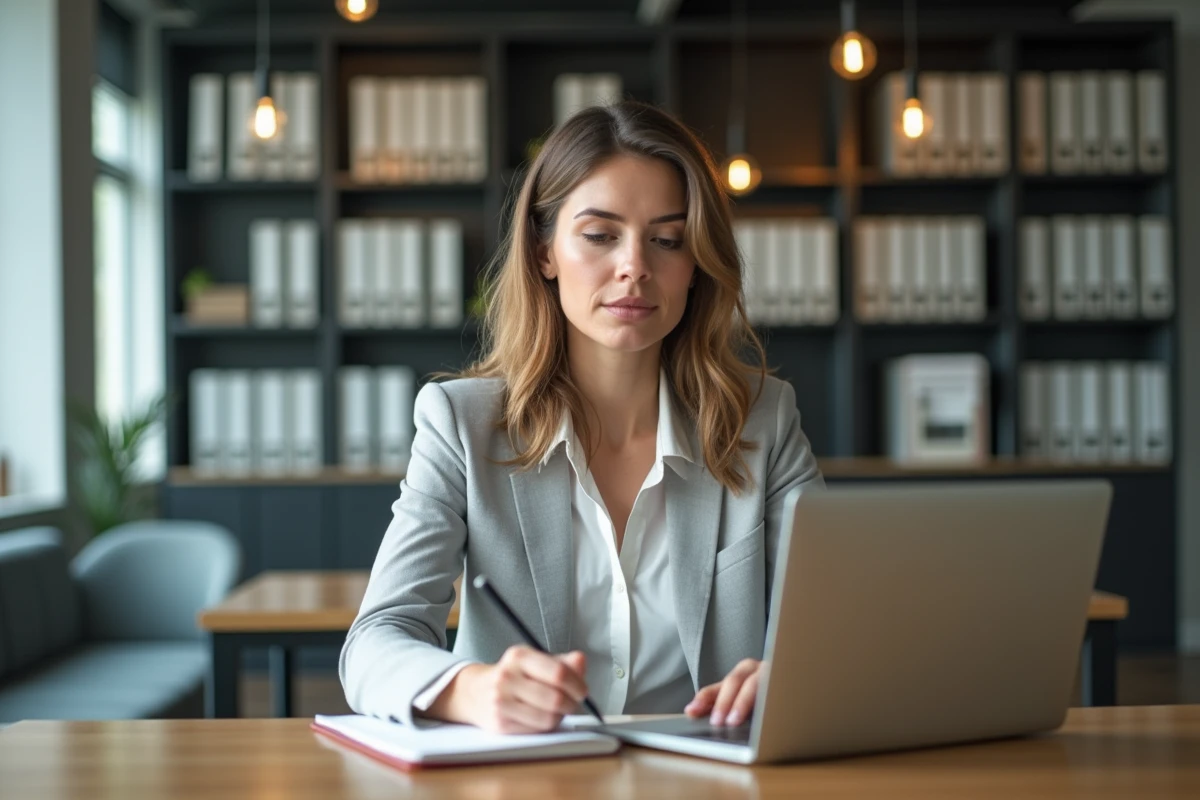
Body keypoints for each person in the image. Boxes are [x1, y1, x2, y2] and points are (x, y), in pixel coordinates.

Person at [340, 100, 824, 735]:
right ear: (545, 252)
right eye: (600, 235)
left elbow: (841, 626)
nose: (634, 267)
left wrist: (794, 676)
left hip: (707, 777)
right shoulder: (463, 424)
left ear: (696, 264)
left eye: (667, 240)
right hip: (526, 778)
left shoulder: (762, 420)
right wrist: (471, 691)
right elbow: (376, 639)